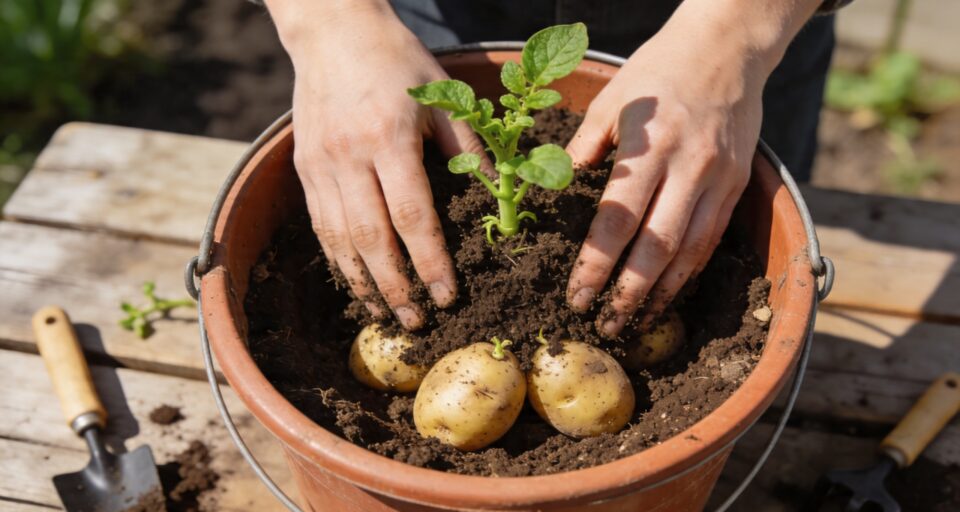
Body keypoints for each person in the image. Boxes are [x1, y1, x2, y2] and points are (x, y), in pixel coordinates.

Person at [262, 0, 847, 335]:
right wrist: (324, 24)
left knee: (716, 232)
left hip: (738, 33)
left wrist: (735, 35)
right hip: (407, 18)